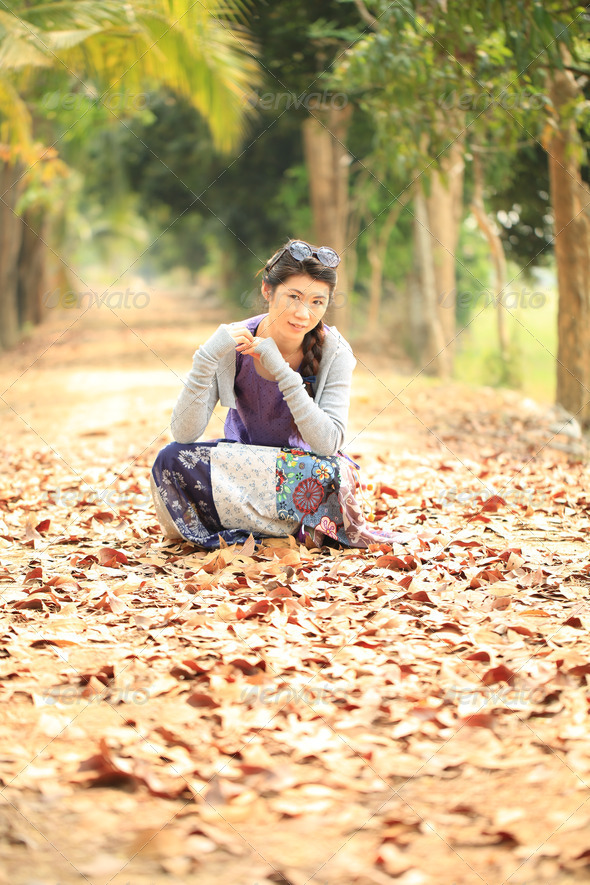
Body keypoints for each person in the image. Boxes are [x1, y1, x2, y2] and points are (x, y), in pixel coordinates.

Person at [150, 239, 405, 549]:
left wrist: (283, 370)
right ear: (267, 291)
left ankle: (250, 526)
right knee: (170, 458)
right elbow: (184, 432)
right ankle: (282, 529)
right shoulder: (233, 342)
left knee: (336, 473)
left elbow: (328, 444)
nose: (302, 313)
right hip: (242, 471)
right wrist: (206, 357)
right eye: (293, 297)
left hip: (303, 478)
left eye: (316, 302)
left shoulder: (334, 352)